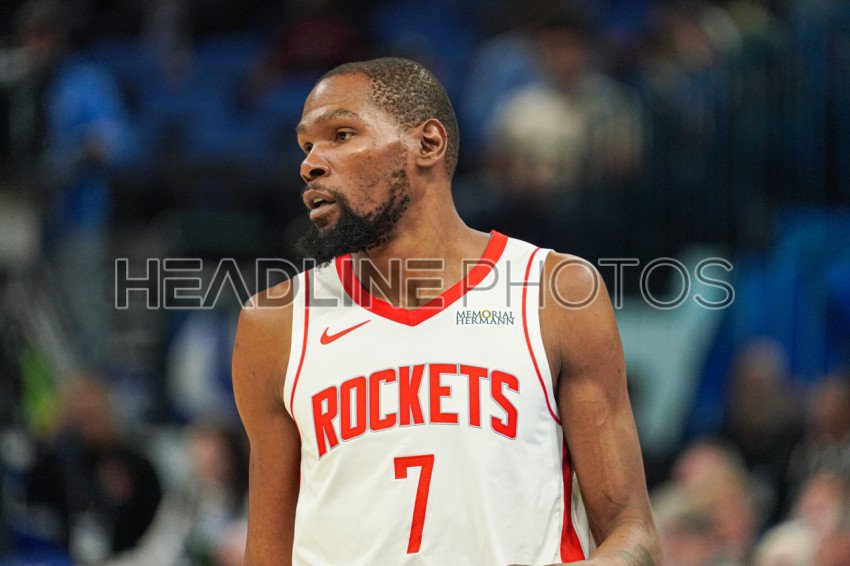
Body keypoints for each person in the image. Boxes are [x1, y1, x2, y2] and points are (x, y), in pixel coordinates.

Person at [232, 57, 659, 565]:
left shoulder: (556, 293)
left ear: (428, 144)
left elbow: (633, 534)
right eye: (306, 146)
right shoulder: (275, 324)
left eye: (341, 135)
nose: (311, 164)